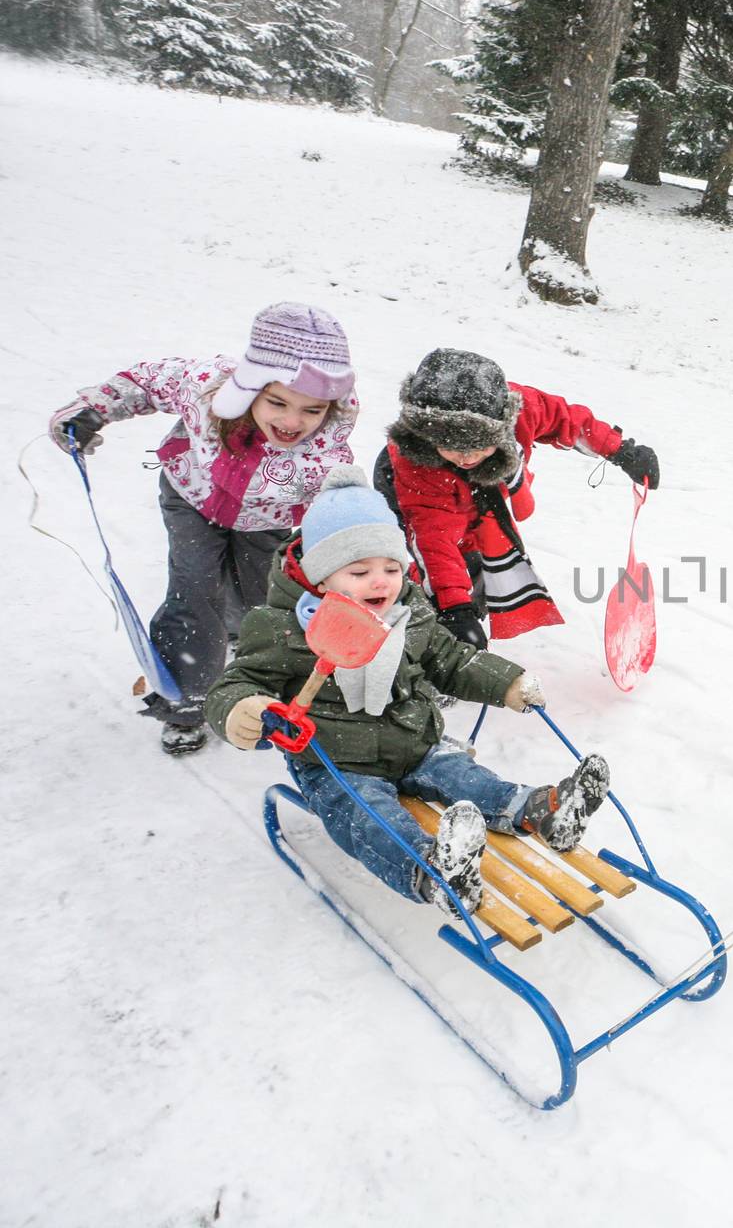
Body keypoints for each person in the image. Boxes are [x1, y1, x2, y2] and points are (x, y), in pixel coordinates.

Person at [205, 466, 610, 916]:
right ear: (319, 579)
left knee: (463, 776)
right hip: (336, 763)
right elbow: (238, 682)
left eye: (391, 568)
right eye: (360, 571)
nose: (381, 581)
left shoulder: (408, 611)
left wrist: (507, 682)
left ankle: (543, 811)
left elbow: (449, 658)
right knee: (366, 816)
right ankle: (434, 870)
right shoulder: (282, 628)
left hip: (415, 741)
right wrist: (242, 708)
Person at [47, 303, 359, 756]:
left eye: (312, 410)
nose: (293, 423)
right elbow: (150, 379)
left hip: (266, 519)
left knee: (261, 599)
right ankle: (186, 701)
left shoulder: (326, 449)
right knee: (193, 589)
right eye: (277, 403)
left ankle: (245, 660)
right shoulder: (206, 388)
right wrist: (94, 409)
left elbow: (340, 503)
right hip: (191, 496)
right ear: (250, 386)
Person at [373, 348, 660, 649]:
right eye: (454, 447)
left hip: (479, 493)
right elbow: (435, 539)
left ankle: (465, 607)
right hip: (414, 491)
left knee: (479, 556)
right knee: (450, 566)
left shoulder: (521, 410)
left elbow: (569, 422)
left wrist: (621, 452)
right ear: (430, 438)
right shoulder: (416, 461)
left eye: (481, 445)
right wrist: (455, 611)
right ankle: (432, 634)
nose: (468, 456)